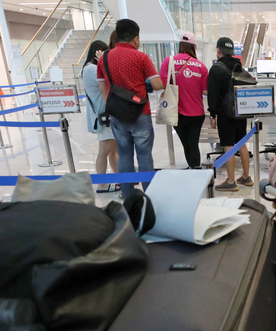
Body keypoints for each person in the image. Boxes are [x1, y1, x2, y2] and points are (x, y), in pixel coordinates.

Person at [97, 19, 163, 199]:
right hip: (140, 112)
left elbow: (103, 88)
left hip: (117, 115)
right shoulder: (141, 57)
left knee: (124, 156)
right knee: (144, 156)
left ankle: (127, 195)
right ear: (135, 38)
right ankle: (149, 194)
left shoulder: (104, 58)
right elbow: (157, 84)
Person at [208, 36, 252, 192]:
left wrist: (212, 115)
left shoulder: (216, 69)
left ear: (218, 50)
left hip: (225, 114)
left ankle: (231, 181)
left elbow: (213, 95)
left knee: (228, 145)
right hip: (241, 112)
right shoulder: (239, 66)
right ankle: (246, 177)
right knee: (242, 144)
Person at [159, 32, 209, 169]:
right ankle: (195, 169)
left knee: (186, 144)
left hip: (176, 112)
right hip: (197, 113)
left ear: (180, 45)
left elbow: (162, 84)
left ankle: (193, 168)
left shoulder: (169, 62)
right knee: (193, 144)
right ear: (194, 47)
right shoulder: (201, 66)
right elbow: (206, 91)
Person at [83, 40, 118, 193]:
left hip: (105, 115)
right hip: (104, 116)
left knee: (113, 149)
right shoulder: (92, 69)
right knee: (104, 150)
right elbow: (111, 79)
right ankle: (102, 184)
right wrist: (104, 61)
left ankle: (120, 178)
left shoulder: (90, 68)